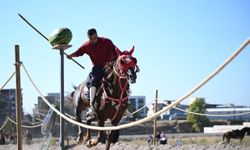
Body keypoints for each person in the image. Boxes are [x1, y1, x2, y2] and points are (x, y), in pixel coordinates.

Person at [68, 28, 132, 118]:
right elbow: (79, 52)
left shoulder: (106, 41)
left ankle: (125, 108)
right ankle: (92, 107)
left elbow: (117, 52)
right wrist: (71, 55)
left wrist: (123, 59)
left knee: (122, 80)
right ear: (88, 38)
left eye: (94, 38)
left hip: (110, 66)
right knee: (93, 81)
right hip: (97, 67)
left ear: (97, 35)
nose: (93, 40)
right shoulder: (86, 45)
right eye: (91, 39)